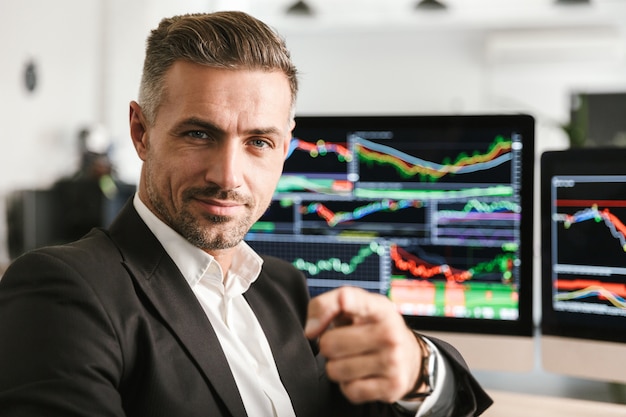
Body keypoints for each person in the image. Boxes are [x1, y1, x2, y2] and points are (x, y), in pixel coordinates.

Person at [0, 11, 492, 417]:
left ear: (285, 148)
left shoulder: (284, 290)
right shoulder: (64, 290)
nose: (229, 175)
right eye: (199, 134)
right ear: (142, 131)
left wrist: (417, 369)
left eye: (258, 141)